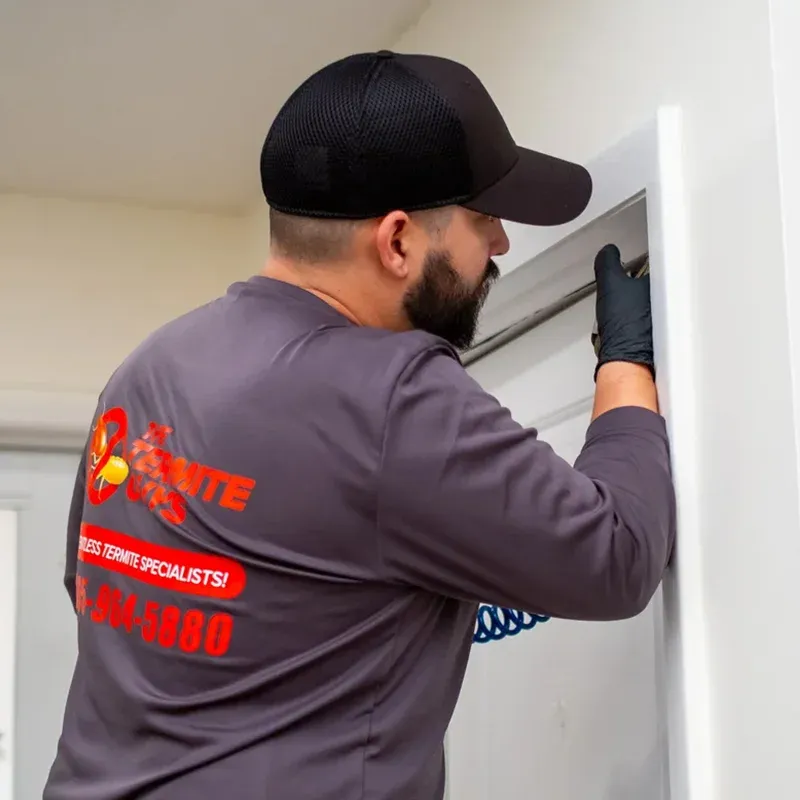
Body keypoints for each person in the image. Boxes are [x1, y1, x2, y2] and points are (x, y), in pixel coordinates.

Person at [44, 50, 675, 800]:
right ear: (399, 240)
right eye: (483, 219)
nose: (501, 244)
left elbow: (97, 587)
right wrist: (626, 359)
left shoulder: (147, 369)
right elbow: (619, 554)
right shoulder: (392, 395)